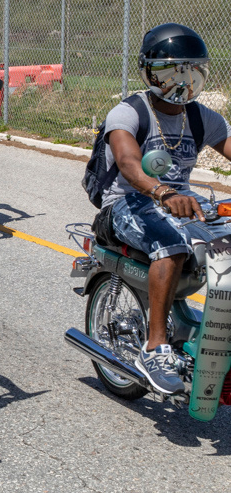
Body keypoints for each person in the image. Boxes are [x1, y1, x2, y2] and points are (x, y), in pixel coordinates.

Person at [101, 22, 231, 395]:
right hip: (127, 202)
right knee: (170, 245)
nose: (182, 81)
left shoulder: (202, 117)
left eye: (191, 71)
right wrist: (162, 191)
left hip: (182, 203)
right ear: (151, 72)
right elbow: (128, 163)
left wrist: (175, 197)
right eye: (172, 71)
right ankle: (154, 348)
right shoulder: (129, 111)